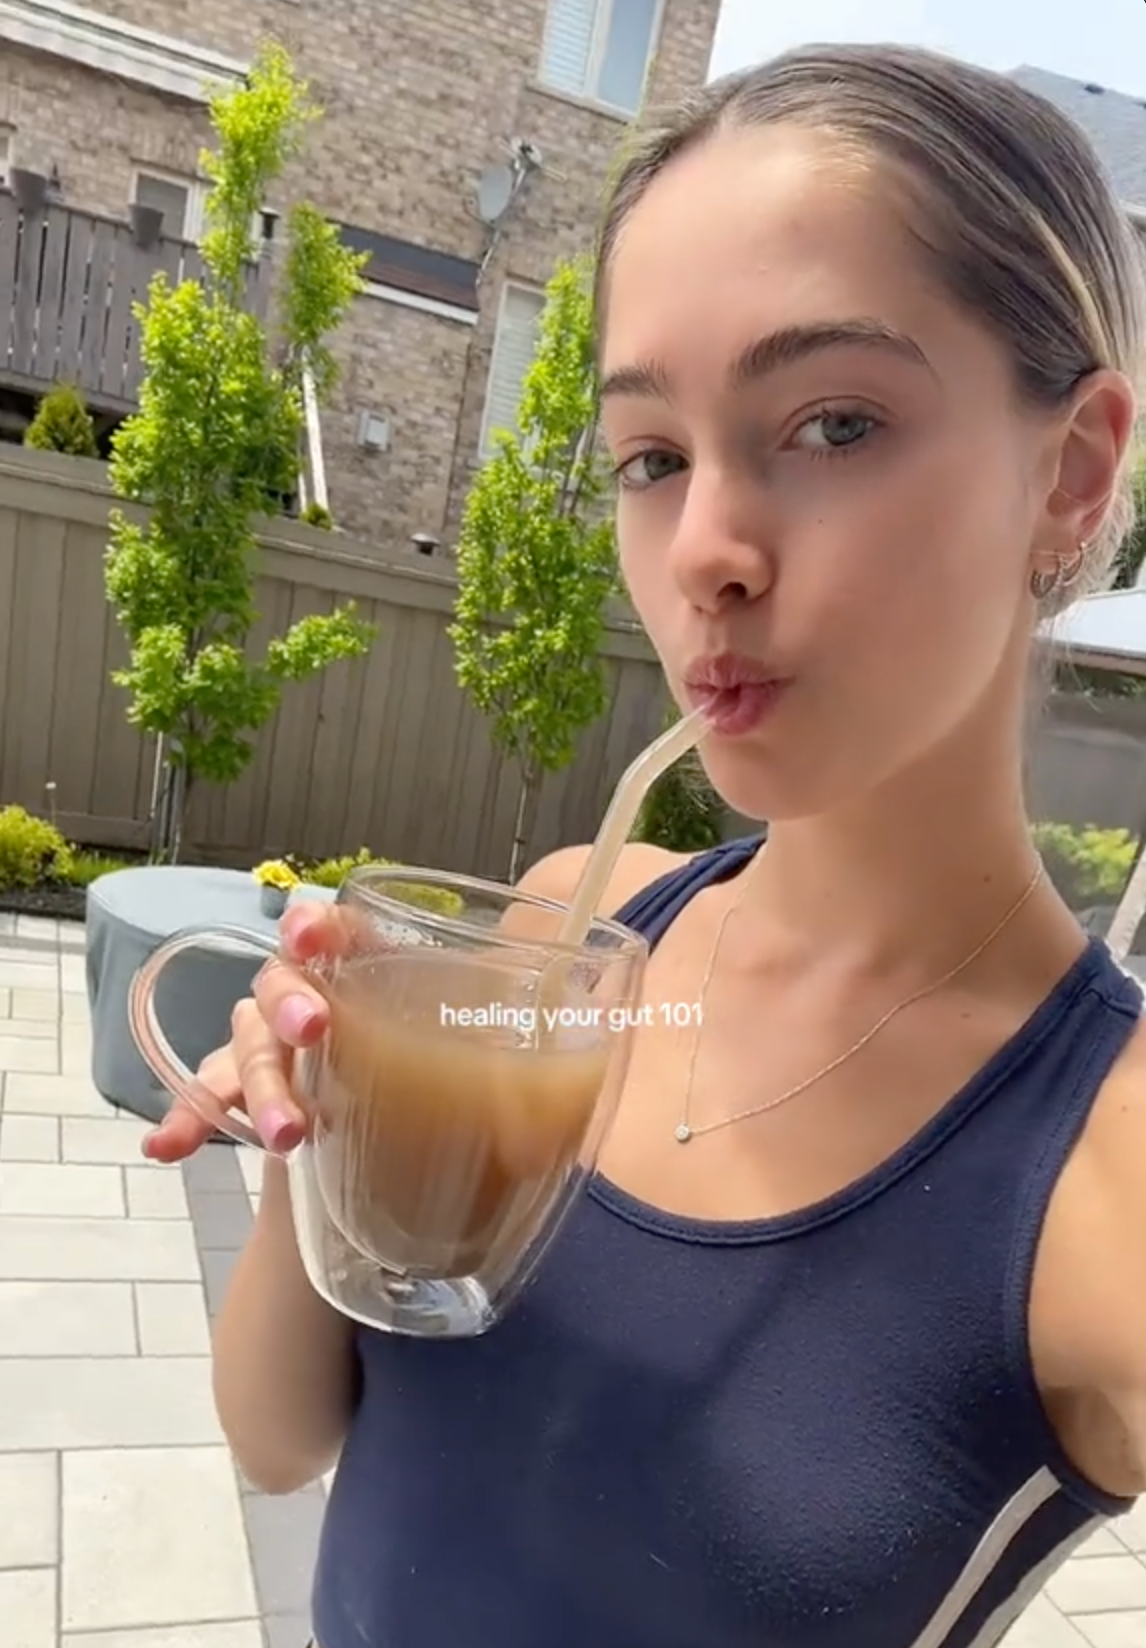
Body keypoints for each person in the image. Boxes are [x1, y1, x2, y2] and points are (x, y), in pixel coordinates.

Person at [143, 42, 1146, 1648]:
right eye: (651, 459)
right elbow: (279, 1443)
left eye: (831, 424)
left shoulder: (1101, 1172)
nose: (705, 555)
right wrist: (317, 1148)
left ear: (1069, 471)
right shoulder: (562, 937)